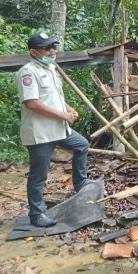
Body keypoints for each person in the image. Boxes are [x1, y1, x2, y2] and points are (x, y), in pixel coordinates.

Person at [15, 33, 90, 228]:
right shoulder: (28, 73)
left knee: (81, 145)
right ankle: (37, 214)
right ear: (33, 52)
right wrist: (61, 115)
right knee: (39, 175)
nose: (52, 51)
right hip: (40, 133)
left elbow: (54, 96)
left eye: (53, 47)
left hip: (58, 128)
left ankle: (81, 184)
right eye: (47, 48)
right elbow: (32, 103)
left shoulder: (49, 68)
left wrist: (67, 108)